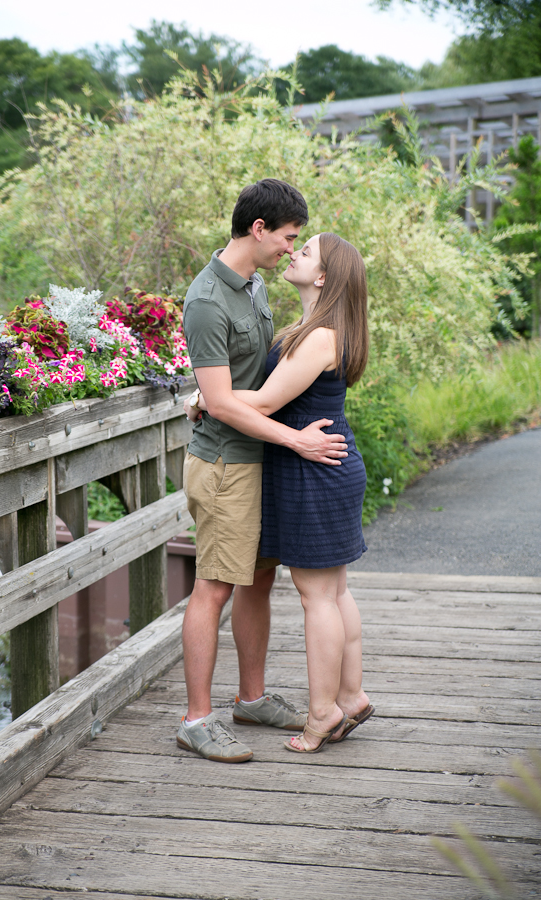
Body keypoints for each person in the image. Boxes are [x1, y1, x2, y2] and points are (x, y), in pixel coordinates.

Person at [177, 180, 349, 763]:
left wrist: (227, 405)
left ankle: (250, 698)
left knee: (256, 581)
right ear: (259, 230)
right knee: (214, 587)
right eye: (288, 238)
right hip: (224, 461)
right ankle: (197, 719)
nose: (289, 250)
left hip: (258, 462)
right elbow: (223, 403)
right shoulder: (206, 301)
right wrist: (295, 440)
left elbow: (245, 387)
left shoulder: (251, 286)